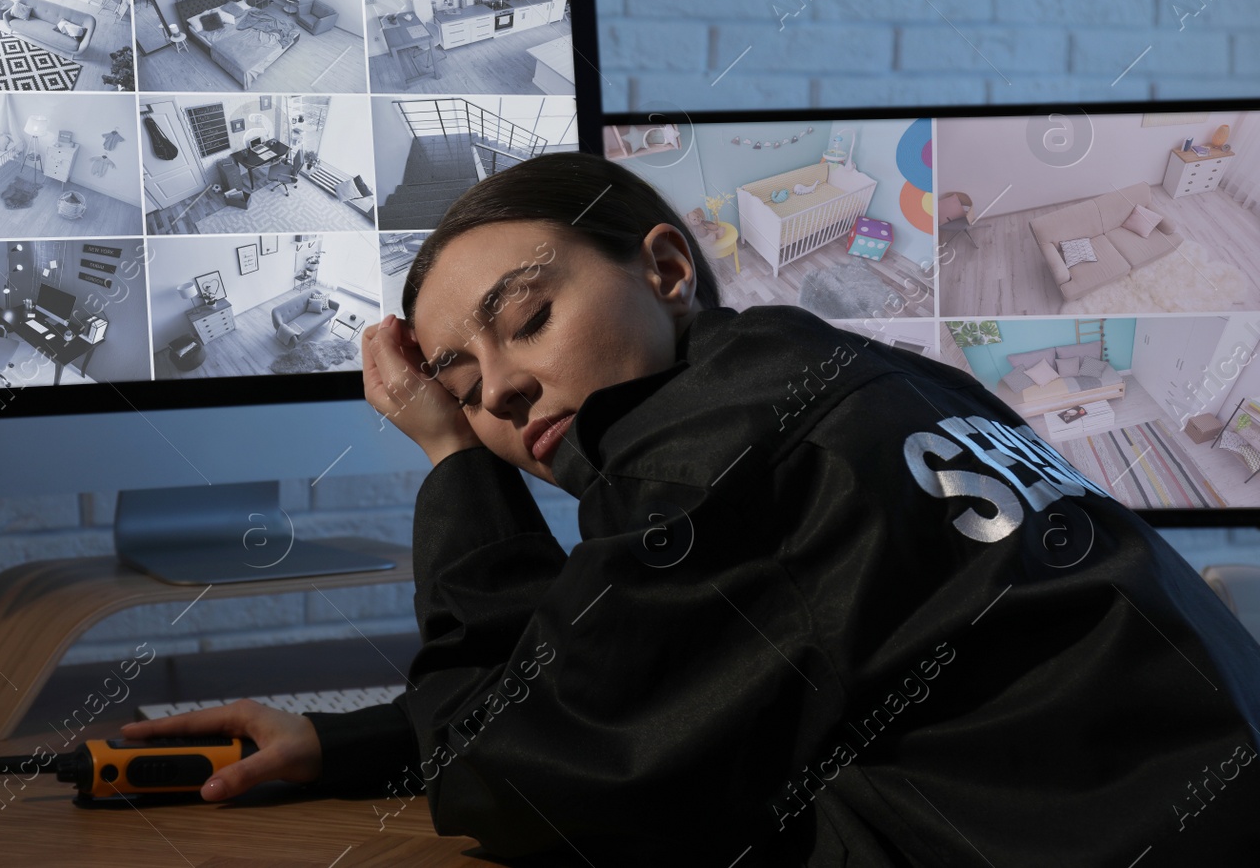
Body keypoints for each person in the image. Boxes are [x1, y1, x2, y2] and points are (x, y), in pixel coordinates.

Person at [122, 153, 1260, 865]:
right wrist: (345, 737)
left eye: (524, 318)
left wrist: (442, 451)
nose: (501, 392)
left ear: (666, 267)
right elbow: (633, 664)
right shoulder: (834, 370)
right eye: (462, 387)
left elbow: (513, 775)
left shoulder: (709, 457)